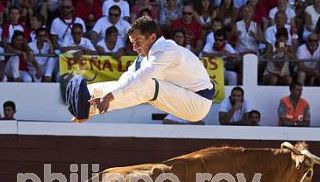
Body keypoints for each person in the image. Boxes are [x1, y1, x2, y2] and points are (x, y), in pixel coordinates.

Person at [71, 16, 214, 123]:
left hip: (198, 103)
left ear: (152, 37)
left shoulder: (166, 51)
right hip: (188, 97)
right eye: (132, 43)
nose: (134, 48)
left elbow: (141, 78)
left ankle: (87, 104)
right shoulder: (148, 54)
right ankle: (87, 97)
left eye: (138, 42)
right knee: (134, 84)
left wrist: (109, 96)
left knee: (148, 85)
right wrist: (104, 95)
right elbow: (129, 76)